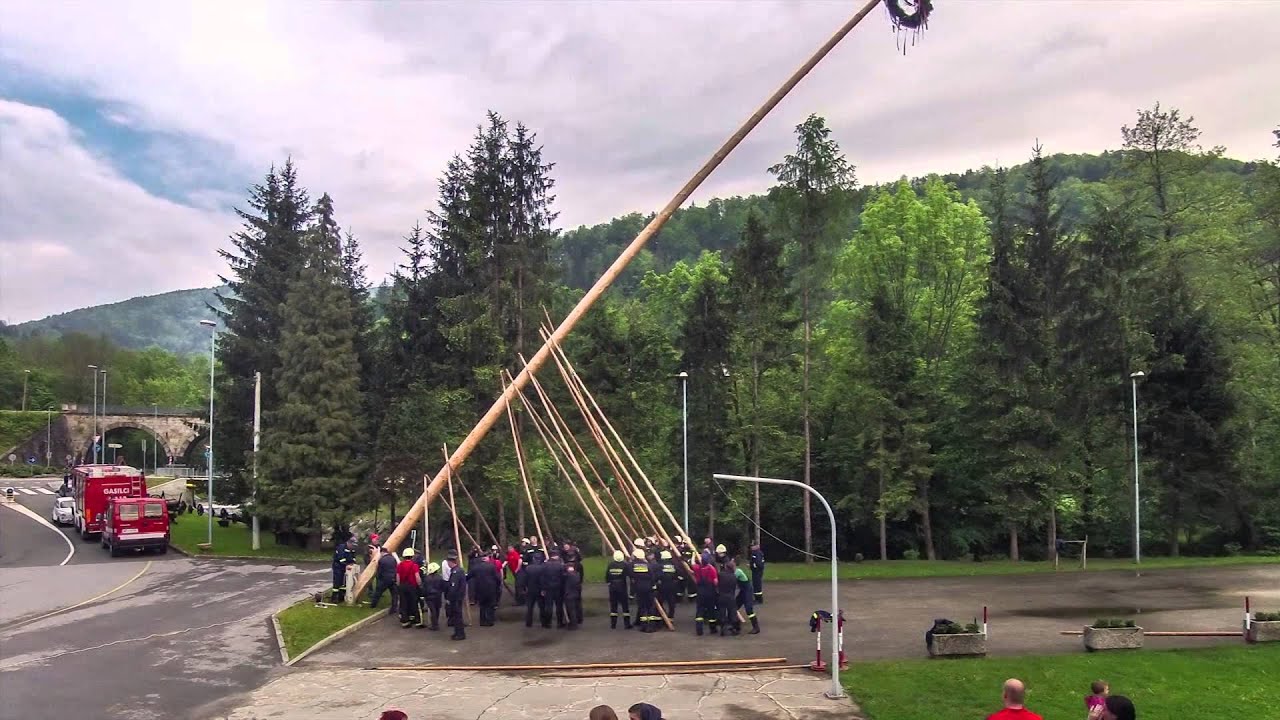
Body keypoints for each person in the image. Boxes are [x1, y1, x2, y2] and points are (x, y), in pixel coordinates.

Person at [468, 550, 501, 626]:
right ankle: (490, 621)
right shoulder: (492, 566)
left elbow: (469, 576)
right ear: (487, 558)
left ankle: (482, 621)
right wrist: (498, 585)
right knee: (490, 605)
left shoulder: (476, 567)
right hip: (490, 589)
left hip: (480, 589)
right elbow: (497, 577)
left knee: (482, 606)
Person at [396, 548, 424, 628]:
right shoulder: (414, 565)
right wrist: (419, 585)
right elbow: (417, 577)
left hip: (402, 586)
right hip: (412, 586)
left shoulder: (399, 565)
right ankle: (417, 621)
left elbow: (397, 577)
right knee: (415, 603)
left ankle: (405, 621)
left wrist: (399, 585)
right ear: (412, 556)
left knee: (404, 603)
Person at [630, 548, 657, 632]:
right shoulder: (648, 565)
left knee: (642, 607)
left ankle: (643, 626)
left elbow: (630, 574)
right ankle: (651, 626)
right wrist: (653, 586)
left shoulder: (632, 565)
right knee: (650, 607)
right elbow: (652, 577)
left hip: (639, 588)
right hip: (649, 588)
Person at [369, 544, 399, 615]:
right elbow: (396, 568)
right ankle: (394, 608)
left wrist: (378, 578)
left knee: (378, 592)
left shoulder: (381, 560)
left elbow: (379, 571)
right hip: (392, 579)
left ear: (382, 552)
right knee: (394, 594)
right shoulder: (393, 559)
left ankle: (373, 605)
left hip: (384, 579)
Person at [605, 550, 632, 630]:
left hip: (612, 588)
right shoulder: (625, 565)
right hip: (622, 588)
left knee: (613, 607)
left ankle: (613, 624)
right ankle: (627, 625)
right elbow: (629, 574)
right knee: (625, 607)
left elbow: (607, 576)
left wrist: (609, 583)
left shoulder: (610, 565)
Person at [693, 554, 718, 636]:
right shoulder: (712, 569)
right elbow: (715, 582)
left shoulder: (697, 568)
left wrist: (693, 555)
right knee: (711, 610)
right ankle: (713, 629)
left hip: (700, 592)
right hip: (710, 592)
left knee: (699, 610)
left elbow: (692, 564)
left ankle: (699, 630)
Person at [542, 550, 567, 628]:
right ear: (556, 556)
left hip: (548, 588)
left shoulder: (545, 565)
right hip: (558, 588)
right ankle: (560, 622)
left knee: (548, 606)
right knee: (559, 606)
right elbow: (563, 578)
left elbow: (542, 578)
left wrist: (543, 588)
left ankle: (547, 623)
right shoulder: (560, 565)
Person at [734, 558, 760, 634]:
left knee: (749, 609)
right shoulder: (735, 571)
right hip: (743, 591)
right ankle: (737, 626)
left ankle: (756, 627)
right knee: (734, 606)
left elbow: (732, 579)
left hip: (747, 591)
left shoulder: (737, 572)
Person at [445, 553, 467, 640]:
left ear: (451, 562)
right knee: (457, 616)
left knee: (457, 617)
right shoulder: (459, 570)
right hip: (458, 597)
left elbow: (453, 587)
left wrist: (448, 599)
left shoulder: (456, 572)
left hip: (455, 598)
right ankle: (457, 632)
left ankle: (460, 634)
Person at [330, 536, 356, 603]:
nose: (353, 547)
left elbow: (353, 557)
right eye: (352, 545)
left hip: (345, 567)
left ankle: (341, 596)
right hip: (338, 567)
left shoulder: (352, 549)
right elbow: (341, 558)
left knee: (344, 582)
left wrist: (353, 563)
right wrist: (347, 565)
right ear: (349, 543)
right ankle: (334, 598)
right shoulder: (341, 547)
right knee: (337, 581)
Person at [716, 560, 738, 635]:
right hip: (731, 596)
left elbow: (716, 582)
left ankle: (722, 628)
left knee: (722, 612)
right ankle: (734, 628)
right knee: (732, 612)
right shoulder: (734, 576)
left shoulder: (720, 575)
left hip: (722, 595)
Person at [524, 554, 546, 628]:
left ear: (533, 559)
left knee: (530, 607)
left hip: (530, 589)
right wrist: (543, 589)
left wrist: (526, 587)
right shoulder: (542, 568)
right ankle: (543, 622)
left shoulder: (528, 568)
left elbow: (525, 579)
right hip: (539, 590)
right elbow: (542, 580)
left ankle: (528, 622)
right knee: (542, 607)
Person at [422, 562, 445, 630]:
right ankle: (436, 623)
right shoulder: (440, 578)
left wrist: (423, 595)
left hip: (429, 597)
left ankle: (434, 625)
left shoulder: (426, 578)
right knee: (437, 610)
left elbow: (424, 588)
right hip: (438, 596)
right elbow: (443, 587)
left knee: (433, 611)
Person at [657, 550, 678, 621]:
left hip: (662, 585)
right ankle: (671, 617)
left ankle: (660, 617)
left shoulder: (660, 565)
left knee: (660, 601)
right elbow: (678, 573)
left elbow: (657, 575)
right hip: (672, 585)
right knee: (671, 602)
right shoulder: (674, 565)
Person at [563, 563, 583, 629]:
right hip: (576, 594)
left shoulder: (566, 575)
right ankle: (577, 621)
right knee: (575, 609)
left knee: (571, 610)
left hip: (569, 595)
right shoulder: (577, 574)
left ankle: (573, 625)